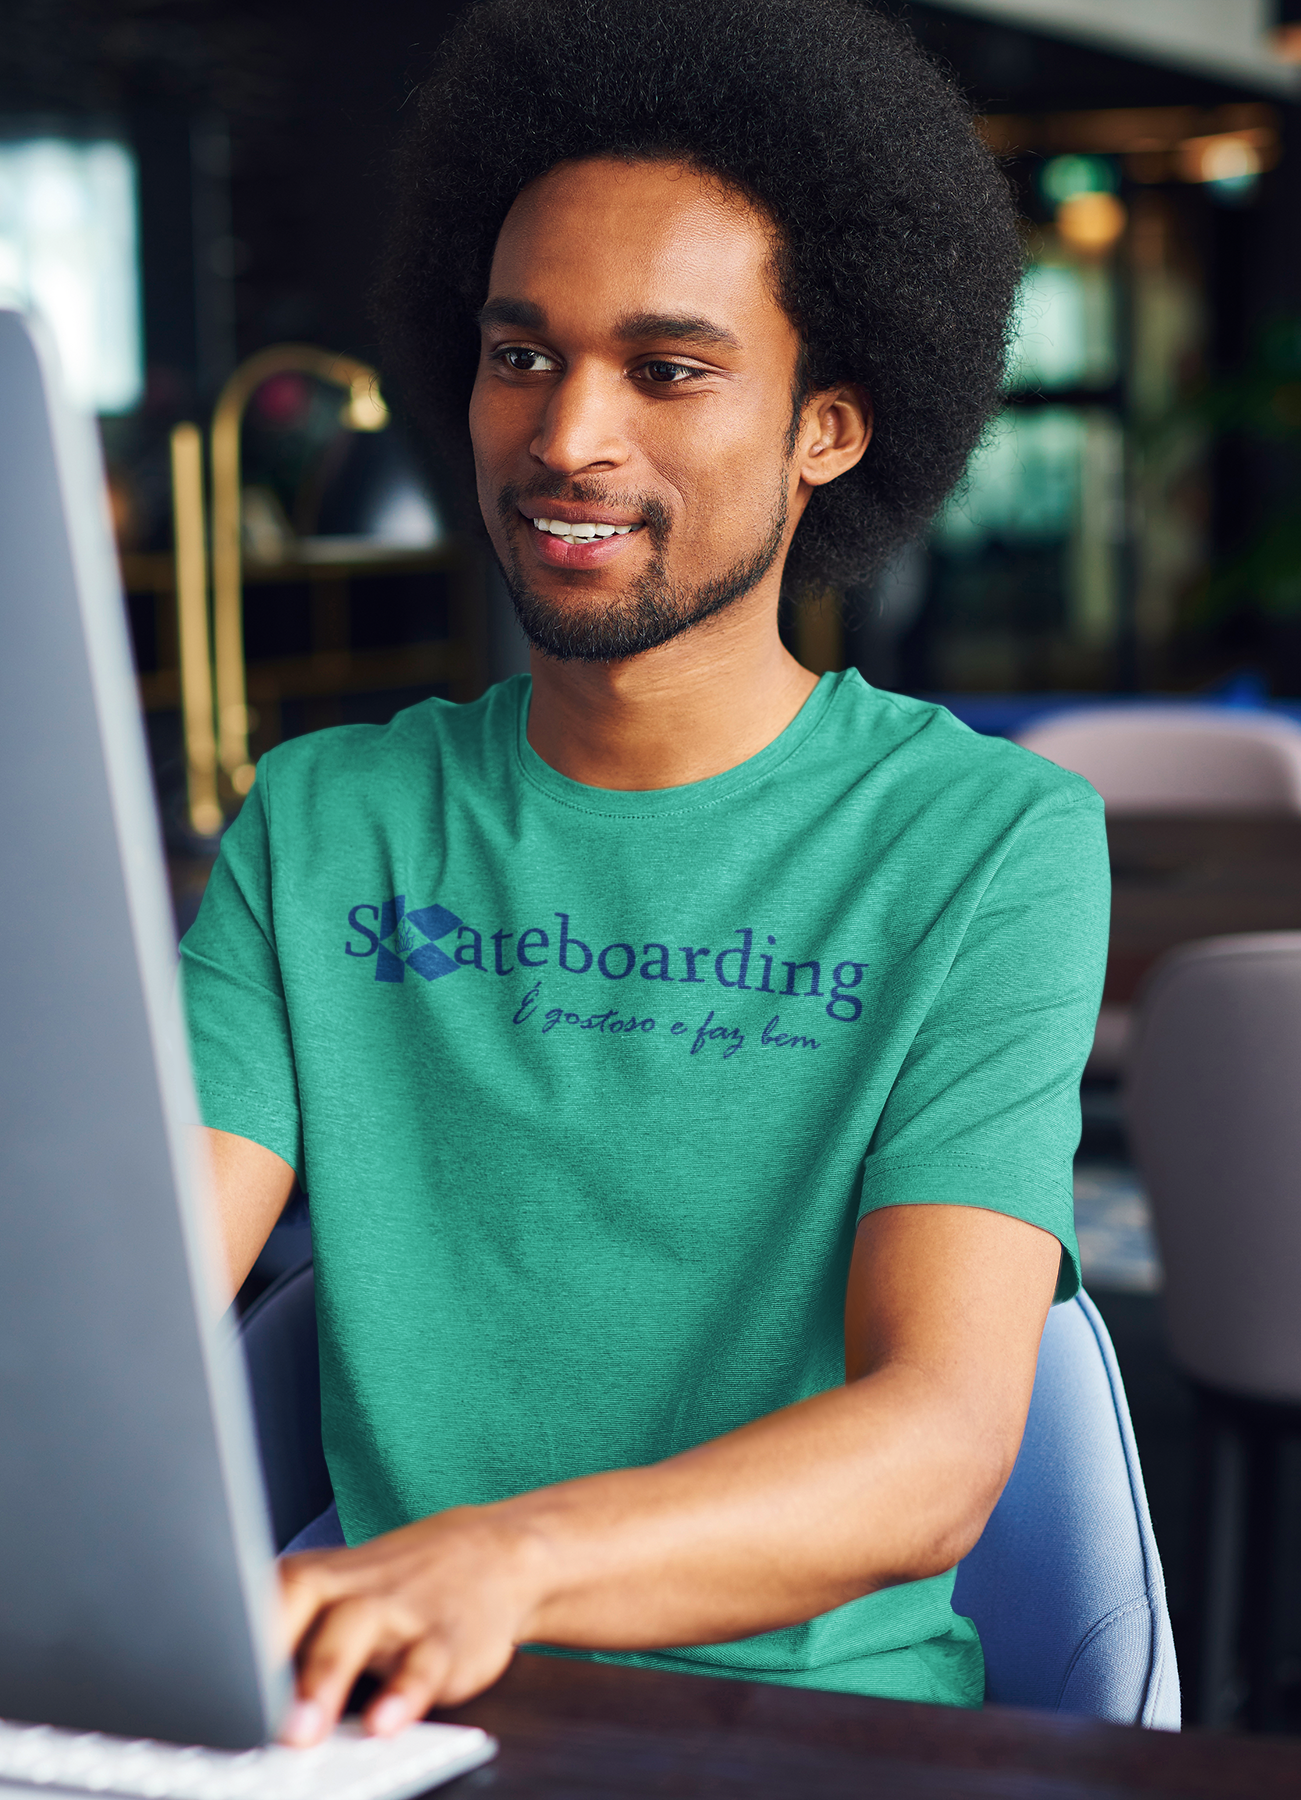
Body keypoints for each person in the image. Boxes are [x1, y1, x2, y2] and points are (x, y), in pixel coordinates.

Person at [180, 0, 1109, 1744]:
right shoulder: (321, 827)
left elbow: (936, 1452)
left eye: (667, 371)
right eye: (519, 352)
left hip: (816, 1743)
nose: (566, 438)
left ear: (829, 427)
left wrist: (499, 1564)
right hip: (388, 1731)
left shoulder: (987, 844)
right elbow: (120, 1304)